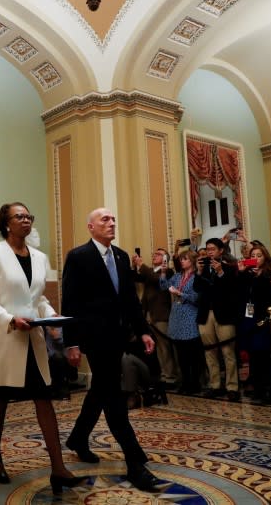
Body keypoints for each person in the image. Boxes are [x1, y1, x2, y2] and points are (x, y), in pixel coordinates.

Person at [0, 202, 84, 494]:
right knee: (0, 401)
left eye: (28, 216)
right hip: (5, 339)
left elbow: (38, 299)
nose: (26, 220)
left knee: (43, 399)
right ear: (6, 224)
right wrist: (10, 320)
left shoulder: (39, 257)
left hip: (33, 342)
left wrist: (52, 318)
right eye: (19, 216)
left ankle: (58, 468)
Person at [62, 207, 160, 492]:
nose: (112, 223)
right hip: (94, 338)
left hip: (118, 337)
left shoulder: (120, 255)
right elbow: (70, 302)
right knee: (114, 396)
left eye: (114, 219)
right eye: (105, 219)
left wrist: (143, 331)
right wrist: (71, 341)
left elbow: (129, 299)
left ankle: (79, 438)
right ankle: (134, 461)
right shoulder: (78, 256)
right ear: (90, 226)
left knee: (101, 389)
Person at [193, 237, 241, 401]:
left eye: (213, 249)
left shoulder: (230, 269)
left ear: (221, 251)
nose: (209, 252)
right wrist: (199, 272)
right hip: (206, 314)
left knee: (228, 352)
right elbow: (197, 288)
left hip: (224, 315)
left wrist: (220, 272)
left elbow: (233, 291)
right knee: (210, 352)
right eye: (207, 249)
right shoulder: (203, 269)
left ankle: (232, 386)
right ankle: (215, 385)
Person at [236, 244, 271, 402]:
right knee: (253, 355)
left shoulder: (269, 275)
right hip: (250, 318)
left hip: (264, 318)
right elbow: (241, 294)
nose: (256, 258)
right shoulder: (247, 275)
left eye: (259, 255)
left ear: (265, 257)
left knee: (264, 355)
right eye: (253, 255)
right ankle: (258, 388)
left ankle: (270, 389)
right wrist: (242, 273)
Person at [132, 248, 179, 390]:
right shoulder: (150, 272)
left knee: (165, 348)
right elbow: (135, 277)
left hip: (162, 315)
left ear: (165, 258)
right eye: (154, 254)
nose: (154, 256)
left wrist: (141, 265)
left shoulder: (167, 272)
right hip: (151, 315)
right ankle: (164, 375)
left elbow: (156, 279)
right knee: (158, 349)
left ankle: (171, 377)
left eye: (158, 254)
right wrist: (135, 266)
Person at [159, 250, 203, 395]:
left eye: (185, 259)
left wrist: (180, 294)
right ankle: (185, 382)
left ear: (191, 261)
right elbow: (163, 287)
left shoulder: (196, 277)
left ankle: (194, 383)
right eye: (181, 259)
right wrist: (163, 273)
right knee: (181, 355)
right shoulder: (177, 276)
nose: (182, 261)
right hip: (176, 317)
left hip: (190, 317)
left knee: (192, 354)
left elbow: (196, 298)